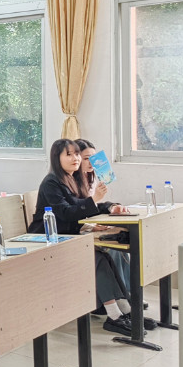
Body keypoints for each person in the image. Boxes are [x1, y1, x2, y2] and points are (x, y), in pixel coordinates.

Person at [28, 139, 149, 336]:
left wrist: (109, 205)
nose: (75, 158)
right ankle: (115, 316)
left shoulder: (71, 179)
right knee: (97, 258)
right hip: (46, 240)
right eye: (69, 154)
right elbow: (67, 212)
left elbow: (83, 204)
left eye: (76, 154)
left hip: (67, 237)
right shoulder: (51, 183)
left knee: (106, 256)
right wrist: (94, 201)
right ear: (56, 158)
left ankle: (126, 310)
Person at [75, 139, 133, 293]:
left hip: (86, 228)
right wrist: (91, 226)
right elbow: (74, 211)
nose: (91, 162)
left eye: (93, 158)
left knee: (122, 246)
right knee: (112, 248)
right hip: (75, 232)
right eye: (86, 158)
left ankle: (129, 292)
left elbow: (95, 206)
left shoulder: (89, 178)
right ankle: (123, 296)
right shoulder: (70, 182)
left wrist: (112, 206)